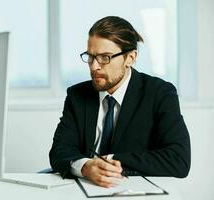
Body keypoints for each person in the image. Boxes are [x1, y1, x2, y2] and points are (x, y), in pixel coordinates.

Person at [49, 16, 191, 188]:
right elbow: (59, 151)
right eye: (90, 57)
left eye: (105, 57)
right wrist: (86, 167)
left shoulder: (159, 93)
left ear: (130, 58)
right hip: (82, 187)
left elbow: (178, 159)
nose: (94, 66)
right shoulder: (77, 94)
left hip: (131, 189)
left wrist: (108, 161)